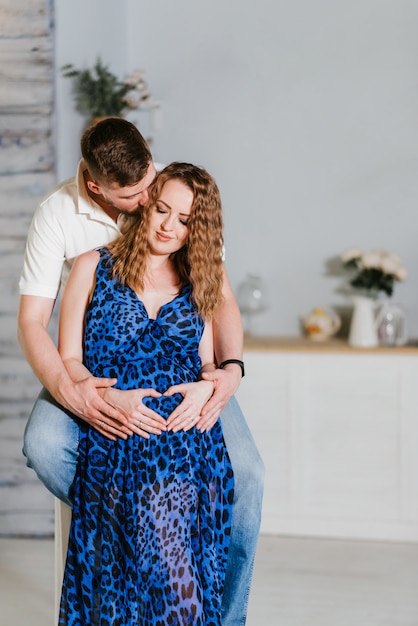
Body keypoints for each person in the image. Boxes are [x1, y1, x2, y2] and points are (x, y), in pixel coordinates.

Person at [18, 118, 264, 625]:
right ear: (98, 187)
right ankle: (127, 521)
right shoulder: (61, 219)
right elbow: (32, 323)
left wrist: (226, 371)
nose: (157, 209)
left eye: (153, 183)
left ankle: (227, 614)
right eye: (143, 199)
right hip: (98, 371)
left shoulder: (175, 194)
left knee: (246, 476)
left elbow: (221, 307)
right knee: (46, 446)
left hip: (181, 384)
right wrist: (80, 391)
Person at [58, 162, 235, 625]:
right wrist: (110, 398)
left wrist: (204, 389)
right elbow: (70, 361)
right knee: (159, 554)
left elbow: (208, 362)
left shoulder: (201, 279)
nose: (169, 226)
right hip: (117, 425)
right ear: (147, 202)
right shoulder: (93, 264)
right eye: (162, 210)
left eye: (185, 220)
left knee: (173, 552)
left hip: (184, 429)